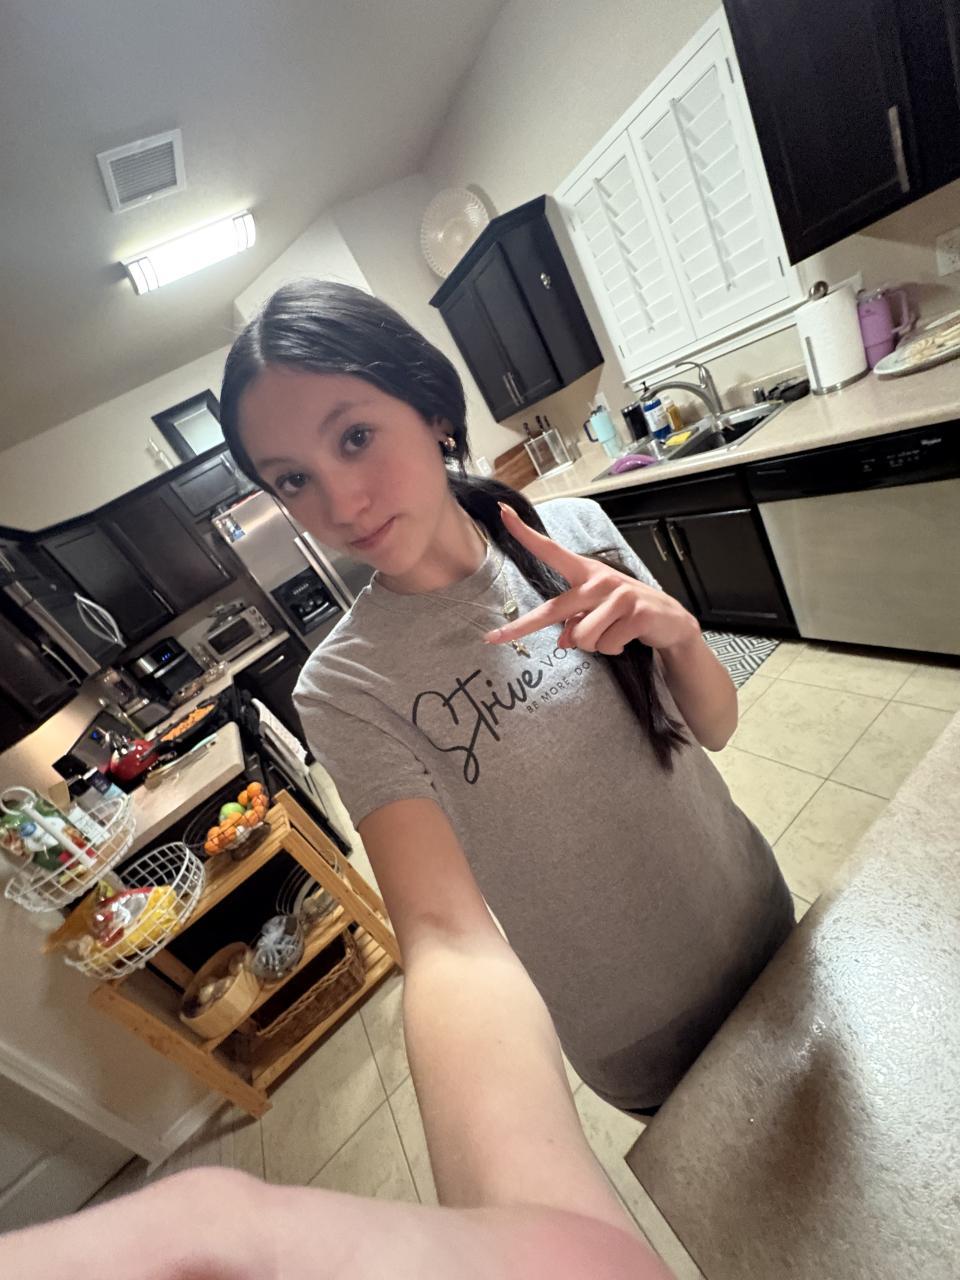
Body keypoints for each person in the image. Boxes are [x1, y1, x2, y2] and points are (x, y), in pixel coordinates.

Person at [218, 279, 794, 1123]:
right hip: (640, 1034)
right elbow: (442, 935)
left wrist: (679, 634)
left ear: (433, 412)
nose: (340, 504)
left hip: (760, 914)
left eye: (356, 437)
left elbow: (715, 726)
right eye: (295, 479)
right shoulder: (345, 690)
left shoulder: (576, 535)